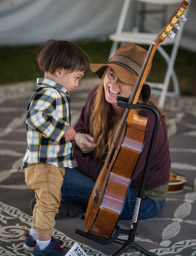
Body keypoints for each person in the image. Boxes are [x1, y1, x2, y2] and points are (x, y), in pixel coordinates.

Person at [60, 43, 171, 221]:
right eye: (111, 75)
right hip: (102, 175)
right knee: (50, 167)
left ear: (137, 87)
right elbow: (81, 125)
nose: (113, 85)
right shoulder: (97, 95)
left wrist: (69, 155)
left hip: (139, 198)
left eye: (124, 81)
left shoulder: (146, 120)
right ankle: (79, 205)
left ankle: (70, 202)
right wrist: (79, 136)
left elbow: (117, 179)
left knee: (55, 175)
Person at [22, 39, 89, 256]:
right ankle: (43, 248)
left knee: (44, 203)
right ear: (59, 71)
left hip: (48, 162)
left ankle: (34, 238)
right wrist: (62, 129)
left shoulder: (53, 92)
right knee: (49, 205)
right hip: (46, 164)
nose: (77, 84)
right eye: (76, 77)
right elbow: (34, 116)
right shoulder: (50, 93)